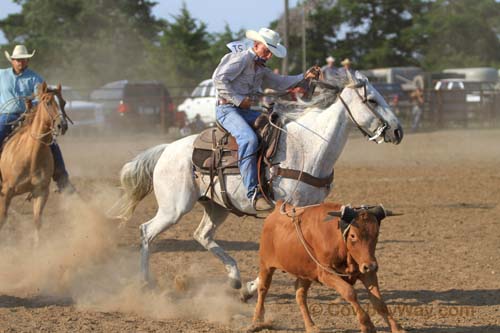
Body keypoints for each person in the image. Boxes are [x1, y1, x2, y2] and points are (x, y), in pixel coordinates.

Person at [212, 28, 319, 211]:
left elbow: (279, 82)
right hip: (227, 110)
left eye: (271, 52)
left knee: (277, 124)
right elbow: (218, 80)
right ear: (256, 45)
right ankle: (253, 192)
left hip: (243, 111)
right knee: (249, 139)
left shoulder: (260, 68)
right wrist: (238, 99)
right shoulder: (241, 59)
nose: (269, 56)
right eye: (267, 50)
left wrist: (304, 76)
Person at [0, 45, 75, 193]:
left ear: (27, 61)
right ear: (12, 61)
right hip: (5, 116)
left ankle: (63, 181)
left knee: (50, 142)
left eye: (24, 60)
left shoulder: (36, 79)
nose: (21, 62)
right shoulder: (1, 75)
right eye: (18, 60)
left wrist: (31, 102)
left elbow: (42, 99)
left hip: (29, 116)